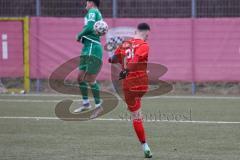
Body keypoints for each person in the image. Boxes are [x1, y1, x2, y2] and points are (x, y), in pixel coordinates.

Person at [109, 23, 153, 158]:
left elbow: (113, 59)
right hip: (142, 85)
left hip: (128, 86)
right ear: (146, 33)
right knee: (137, 107)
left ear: (135, 31)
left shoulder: (125, 44)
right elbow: (136, 59)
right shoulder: (145, 45)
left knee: (136, 116)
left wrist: (113, 59)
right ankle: (137, 106)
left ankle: (145, 145)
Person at [74, 0, 103, 118]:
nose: (85, 3)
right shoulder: (95, 12)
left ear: (91, 2)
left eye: (87, 1)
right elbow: (94, 28)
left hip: (92, 47)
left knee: (90, 79)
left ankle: (98, 106)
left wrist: (79, 35)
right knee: (80, 78)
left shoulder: (92, 11)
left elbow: (91, 26)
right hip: (87, 47)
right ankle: (86, 104)